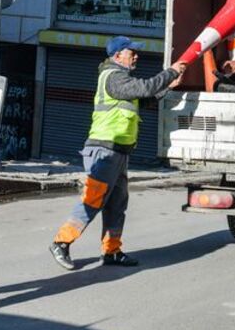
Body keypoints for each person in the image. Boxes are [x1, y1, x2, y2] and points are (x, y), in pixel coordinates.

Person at [49, 36, 186, 270]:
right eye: (131, 51)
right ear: (117, 55)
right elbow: (144, 88)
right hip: (104, 150)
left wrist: (166, 88)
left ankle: (112, 251)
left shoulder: (121, 81)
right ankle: (61, 242)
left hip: (118, 151)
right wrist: (170, 73)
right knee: (93, 200)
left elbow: (143, 100)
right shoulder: (114, 76)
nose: (136, 55)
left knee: (117, 204)